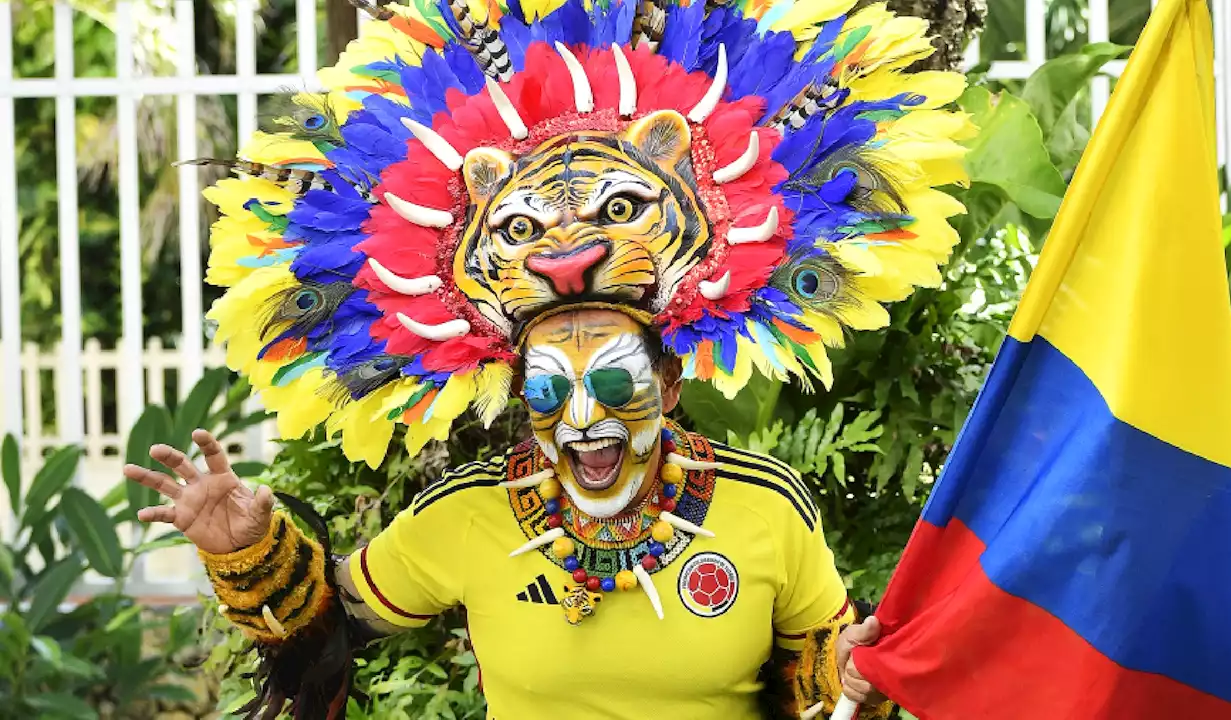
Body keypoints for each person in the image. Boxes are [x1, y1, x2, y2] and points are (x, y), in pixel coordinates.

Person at [124, 0, 970, 717]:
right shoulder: (468, 512)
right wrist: (250, 548)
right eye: (547, 391)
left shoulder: (767, 508)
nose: (581, 419)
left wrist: (855, 668)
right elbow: (328, 622)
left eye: (612, 383)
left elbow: (819, 678)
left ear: (669, 383)